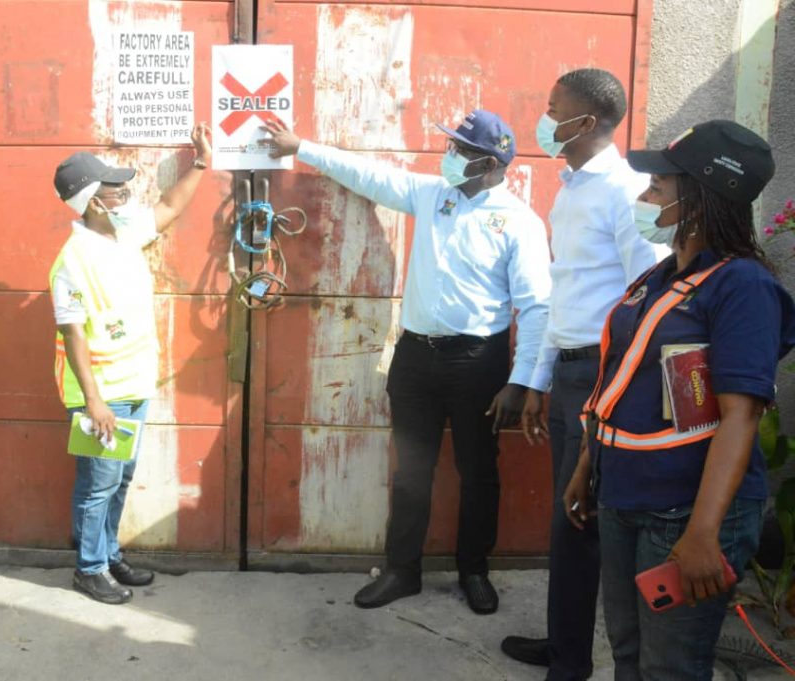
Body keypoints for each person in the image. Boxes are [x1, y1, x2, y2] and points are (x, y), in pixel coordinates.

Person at [263, 110, 551, 615]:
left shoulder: (518, 222)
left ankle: (474, 570)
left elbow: (537, 308)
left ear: (489, 163)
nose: (450, 155)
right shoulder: (433, 194)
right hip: (416, 356)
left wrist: (522, 381)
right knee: (411, 470)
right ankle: (402, 570)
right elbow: (372, 177)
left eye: (461, 150)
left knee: (478, 471)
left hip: (478, 362)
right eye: (452, 146)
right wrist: (301, 147)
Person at [562, 119, 795, 680]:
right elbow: (623, 380)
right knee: (627, 651)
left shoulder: (742, 287)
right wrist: (588, 466)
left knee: (670, 667)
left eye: (657, 187)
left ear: (699, 198)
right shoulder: (660, 278)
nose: (644, 198)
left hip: (684, 513)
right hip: (624, 494)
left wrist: (704, 534)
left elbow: (741, 416)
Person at [501, 69, 670, 679]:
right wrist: (537, 380)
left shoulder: (625, 193)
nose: (544, 120)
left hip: (605, 377)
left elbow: (650, 300)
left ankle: (570, 665)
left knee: (580, 520)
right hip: (570, 372)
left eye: (554, 109)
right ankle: (565, 646)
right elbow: (562, 295)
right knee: (568, 520)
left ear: (587, 121)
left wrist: (611, 392)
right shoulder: (571, 190)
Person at [49, 123, 212, 605]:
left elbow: (169, 207)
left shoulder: (123, 233)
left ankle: (108, 553)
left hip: (134, 385)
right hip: (101, 395)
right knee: (98, 485)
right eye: (113, 188)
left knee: (117, 478)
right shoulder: (72, 261)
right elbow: (73, 334)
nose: (123, 194)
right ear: (91, 201)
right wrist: (94, 402)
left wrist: (201, 162)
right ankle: (89, 568)